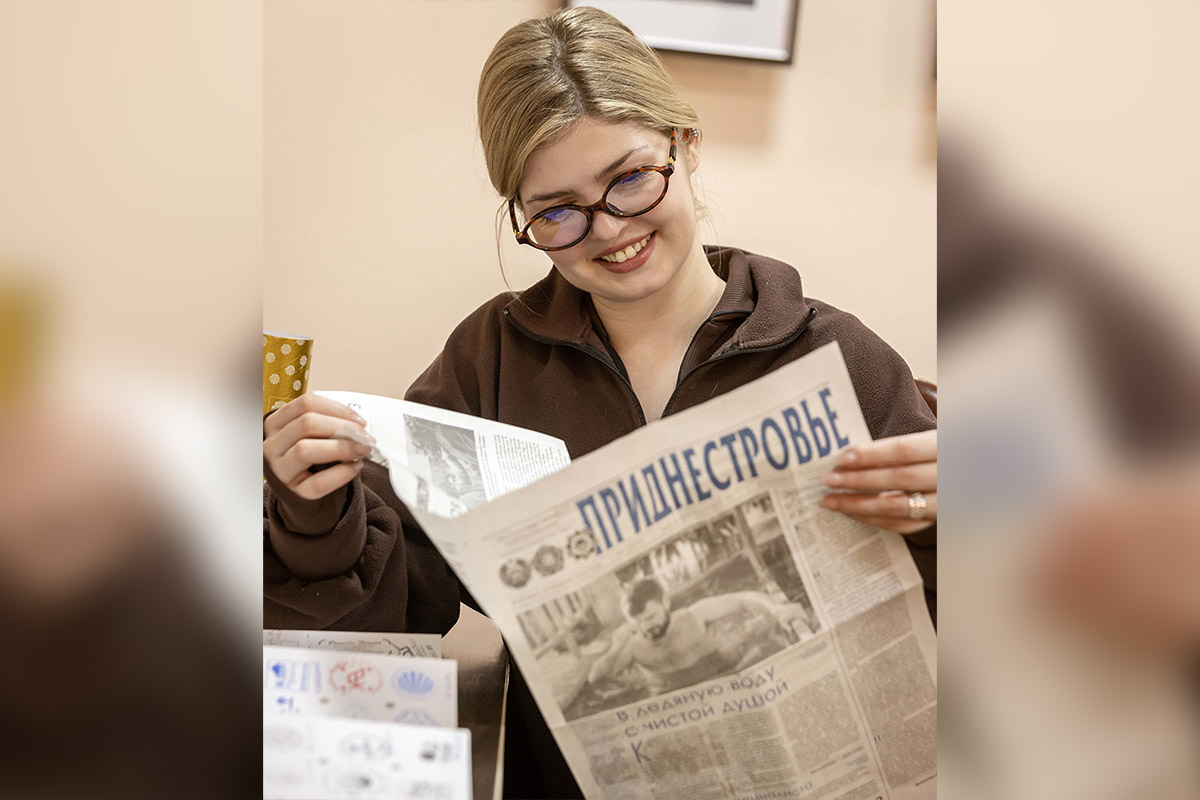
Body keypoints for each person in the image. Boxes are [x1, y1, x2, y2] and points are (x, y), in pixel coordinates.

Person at [263, 8, 937, 797]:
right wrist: (312, 513)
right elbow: (391, 621)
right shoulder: (489, 362)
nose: (608, 229)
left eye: (629, 179)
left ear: (686, 144)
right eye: (556, 212)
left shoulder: (836, 357)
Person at [586, 578, 813, 696]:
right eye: (637, 622)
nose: (646, 627)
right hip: (676, 699)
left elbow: (742, 598)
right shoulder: (631, 644)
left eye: (651, 617)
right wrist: (616, 648)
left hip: (723, 678)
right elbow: (595, 678)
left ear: (665, 602)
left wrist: (776, 610)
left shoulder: (693, 618)